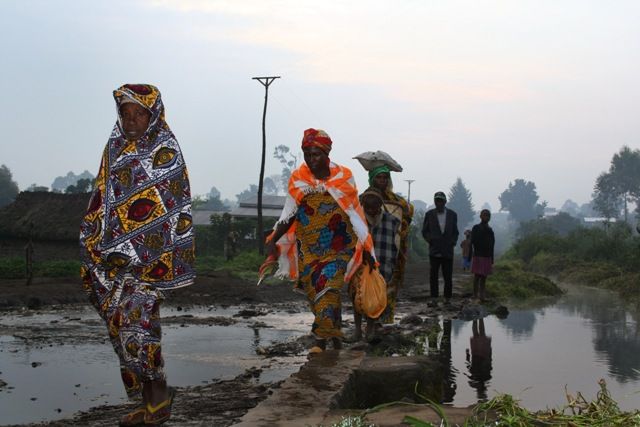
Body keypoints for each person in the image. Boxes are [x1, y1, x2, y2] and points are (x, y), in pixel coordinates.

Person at [79, 84, 195, 426]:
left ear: (153, 114)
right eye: (125, 113)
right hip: (112, 262)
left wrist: (144, 251)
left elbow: (173, 207)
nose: (131, 120)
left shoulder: (165, 149)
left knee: (140, 330)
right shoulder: (114, 148)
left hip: (148, 264)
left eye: (138, 113)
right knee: (122, 332)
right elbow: (103, 196)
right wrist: (95, 238)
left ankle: (159, 399)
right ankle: (151, 402)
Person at [264, 128, 375, 354]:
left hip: (339, 245)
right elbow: (290, 214)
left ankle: (320, 340)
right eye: (307, 154)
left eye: (316, 154)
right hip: (308, 248)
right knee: (317, 293)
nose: (311, 159)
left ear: (327, 154)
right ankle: (333, 334)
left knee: (329, 287)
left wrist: (366, 247)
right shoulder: (298, 178)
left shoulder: (344, 177)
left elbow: (354, 213)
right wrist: (273, 238)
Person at [351, 187, 400, 340]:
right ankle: (358, 329)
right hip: (360, 264)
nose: (371, 211)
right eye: (368, 207)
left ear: (380, 206)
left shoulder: (392, 221)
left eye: (375, 207)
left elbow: (396, 244)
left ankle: (371, 327)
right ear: (363, 205)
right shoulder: (357, 221)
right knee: (357, 296)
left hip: (383, 264)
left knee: (376, 297)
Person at [368, 164, 414, 323]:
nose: (382, 180)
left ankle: (386, 322)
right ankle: (371, 323)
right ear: (372, 179)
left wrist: (406, 210)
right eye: (379, 177)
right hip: (370, 249)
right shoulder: (364, 198)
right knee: (369, 288)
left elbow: (407, 214)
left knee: (390, 286)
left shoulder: (396, 201)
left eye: (385, 177)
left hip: (391, 250)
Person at [421, 191, 459, 303]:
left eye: (441, 201)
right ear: (434, 202)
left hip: (447, 250)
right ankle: (434, 298)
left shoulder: (452, 215)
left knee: (448, 276)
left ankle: (447, 298)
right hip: (434, 250)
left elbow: (455, 232)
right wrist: (430, 240)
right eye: (437, 201)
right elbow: (425, 231)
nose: (439, 203)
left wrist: (453, 242)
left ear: (445, 202)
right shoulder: (429, 215)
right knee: (433, 276)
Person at [469, 209, 495, 302]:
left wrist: (492, 259)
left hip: (487, 256)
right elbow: (471, 242)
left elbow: (492, 245)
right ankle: (475, 294)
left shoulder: (490, 230)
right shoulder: (476, 228)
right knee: (477, 276)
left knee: (484, 277)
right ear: (480, 216)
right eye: (484, 215)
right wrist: (470, 255)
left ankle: (482, 295)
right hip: (478, 255)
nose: (486, 217)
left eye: (488, 216)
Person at [465, 318, 492, 400]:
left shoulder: (476, 379)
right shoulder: (483, 378)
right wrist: (467, 355)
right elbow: (489, 362)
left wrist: (467, 354)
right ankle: (478, 318)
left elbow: (469, 365)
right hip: (480, 354)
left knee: (478, 334)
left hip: (479, 354)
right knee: (479, 334)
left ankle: (476, 318)